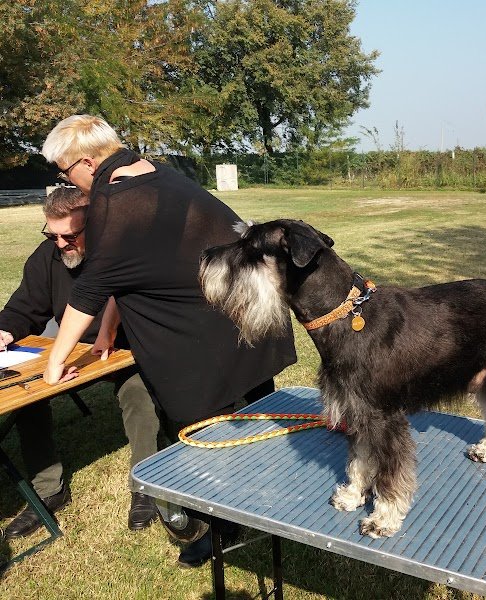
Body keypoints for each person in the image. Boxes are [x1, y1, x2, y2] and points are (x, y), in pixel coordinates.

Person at [40, 115, 297, 568]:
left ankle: (224, 526)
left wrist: (55, 359)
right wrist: (106, 332)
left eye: (64, 172)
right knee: (255, 423)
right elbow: (128, 266)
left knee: (204, 438)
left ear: (84, 161)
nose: (67, 181)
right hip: (250, 315)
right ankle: (259, 507)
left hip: (204, 330)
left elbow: (95, 281)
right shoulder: (156, 173)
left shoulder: (112, 196)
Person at [0, 187, 160, 538]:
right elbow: (25, 305)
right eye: (52, 234)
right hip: (70, 351)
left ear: (96, 226)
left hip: (126, 348)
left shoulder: (122, 255)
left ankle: (146, 485)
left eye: (69, 236)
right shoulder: (48, 256)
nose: (60, 244)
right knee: (29, 395)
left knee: (137, 391)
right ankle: (48, 490)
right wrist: (4, 330)